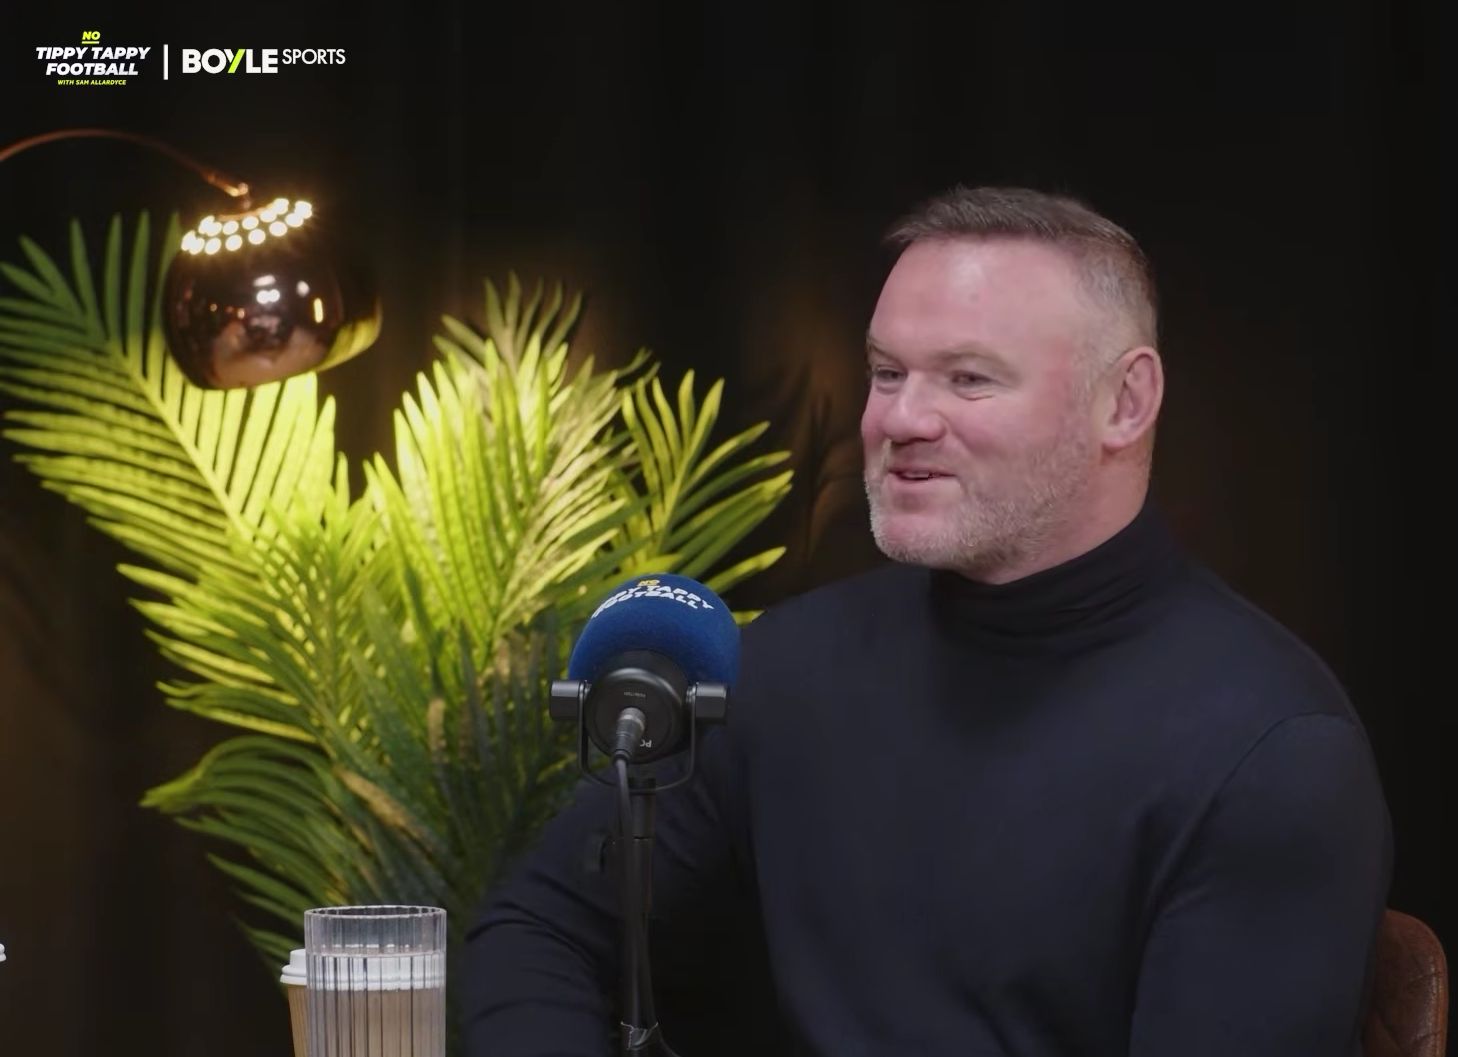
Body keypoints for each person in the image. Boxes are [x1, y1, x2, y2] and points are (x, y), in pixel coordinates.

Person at [459, 186, 1394, 1056]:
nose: (902, 417)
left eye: (969, 378)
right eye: (887, 371)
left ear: (1125, 401)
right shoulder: (789, 667)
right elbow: (536, 934)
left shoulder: (1271, 753)